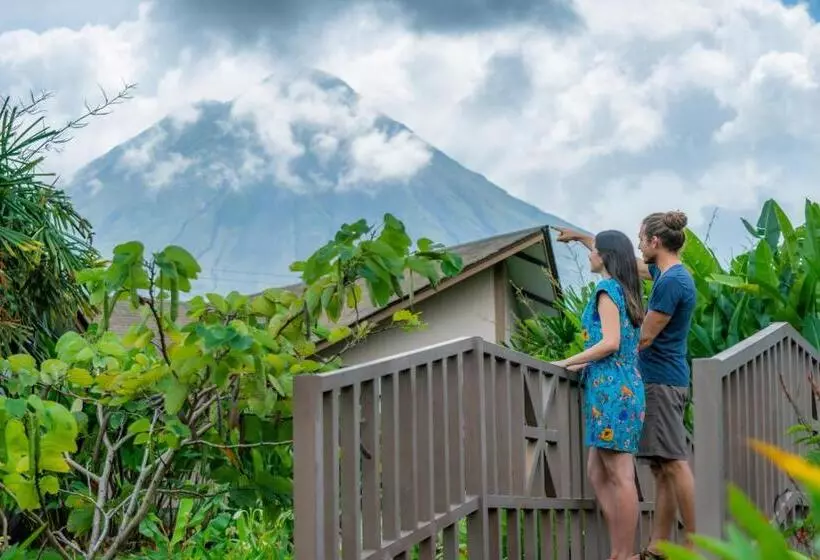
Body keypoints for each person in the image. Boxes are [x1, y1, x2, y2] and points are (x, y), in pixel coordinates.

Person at [556, 210, 696, 560]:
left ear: (654, 241)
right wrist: (585, 238)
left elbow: (637, 339)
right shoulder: (664, 275)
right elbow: (625, 262)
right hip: (648, 380)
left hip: (655, 380)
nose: (638, 244)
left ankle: (692, 544)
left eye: (641, 238)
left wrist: (582, 359)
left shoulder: (670, 282)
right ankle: (656, 548)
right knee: (659, 466)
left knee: (673, 463)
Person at [551, 230, 646, 560]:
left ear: (605, 256)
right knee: (598, 472)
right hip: (622, 384)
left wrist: (568, 360)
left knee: (620, 474)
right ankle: (622, 548)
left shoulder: (607, 289)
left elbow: (610, 342)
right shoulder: (629, 290)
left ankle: (623, 553)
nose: (590, 255)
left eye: (595, 251)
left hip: (611, 391)